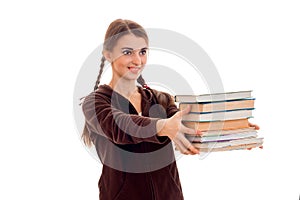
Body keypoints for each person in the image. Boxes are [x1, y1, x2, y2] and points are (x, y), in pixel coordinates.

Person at [81, 19, 259, 200]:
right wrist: (162, 126)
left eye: (143, 52)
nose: (137, 60)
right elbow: (120, 126)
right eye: (128, 52)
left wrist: (237, 132)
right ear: (108, 55)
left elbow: (188, 129)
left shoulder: (161, 99)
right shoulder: (94, 103)